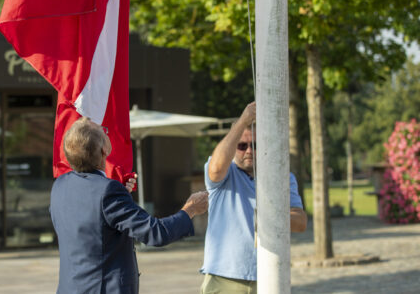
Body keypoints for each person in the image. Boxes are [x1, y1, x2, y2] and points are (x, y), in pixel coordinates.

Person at [50, 117, 208, 294]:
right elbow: (156, 233)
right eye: (104, 131)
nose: (106, 132)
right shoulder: (108, 191)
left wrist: (120, 196)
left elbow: (90, 221)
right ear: (104, 150)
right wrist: (191, 209)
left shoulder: (60, 185)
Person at [200, 102, 307, 294]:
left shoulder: (282, 176)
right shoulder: (225, 174)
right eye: (242, 145)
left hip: (269, 276)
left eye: (255, 145)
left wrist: (274, 219)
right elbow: (215, 169)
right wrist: (242, 122)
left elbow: (300, 223)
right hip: (224, 277)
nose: (249, 150)